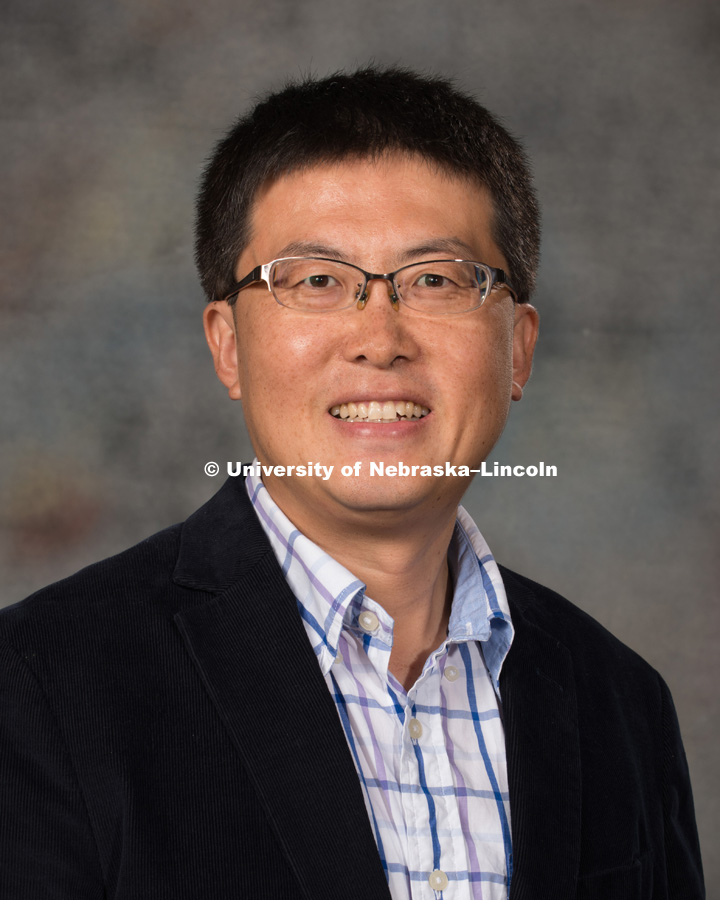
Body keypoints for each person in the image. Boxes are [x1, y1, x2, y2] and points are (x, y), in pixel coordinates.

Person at [0, 67, 704, 899]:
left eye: (437, 279)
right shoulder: (39, 687)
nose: (380, 338)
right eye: (317, 281)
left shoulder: (622, 704)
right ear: (227, 346)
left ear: (517, 348)